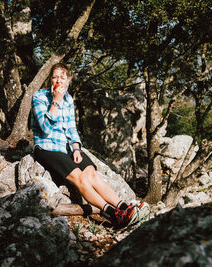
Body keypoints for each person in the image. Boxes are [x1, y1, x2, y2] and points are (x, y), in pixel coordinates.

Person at [31, 63, 148, 229]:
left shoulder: (69, 99)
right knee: (79, 177)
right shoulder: (39, 97)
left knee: (91, 174)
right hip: (47, 147)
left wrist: (77, 148)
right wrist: (55, 101)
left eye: (62, 77)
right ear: (50, 79)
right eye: (55, 76)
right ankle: (113, 215)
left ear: (68, 81)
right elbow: (45, 128)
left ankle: (124, 208)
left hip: (66, 148)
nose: (58, 80)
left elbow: (72, 128)